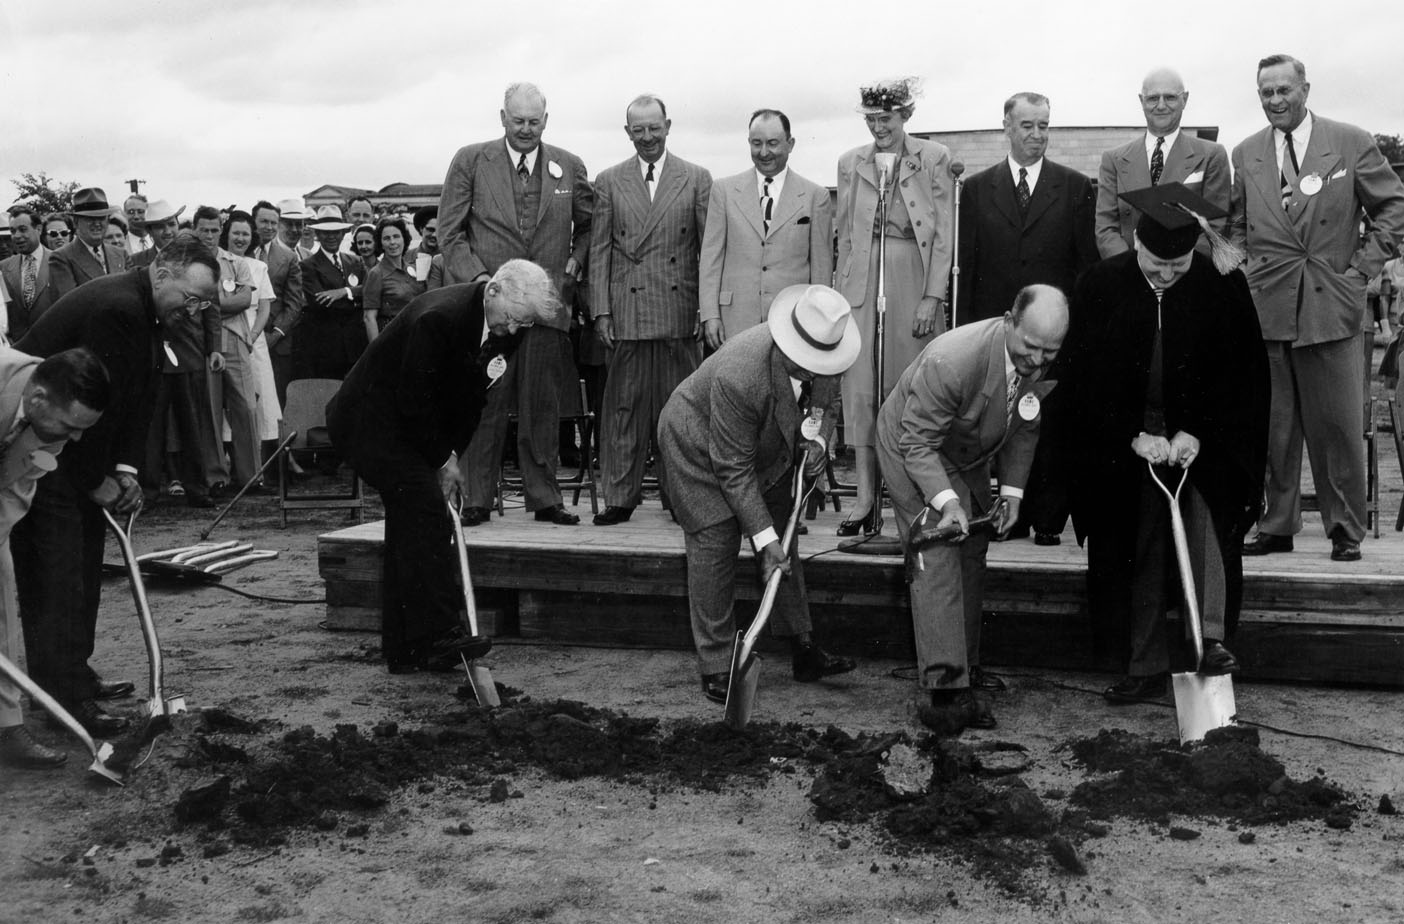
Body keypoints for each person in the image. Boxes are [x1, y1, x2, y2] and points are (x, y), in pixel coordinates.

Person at [1066, 186, 1267, 702]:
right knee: (1141, 537)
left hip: (1204, 434)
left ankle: (1211, 642)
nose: (1166, 275)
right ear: (1136, 242)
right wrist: (1132, 435)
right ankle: (1143, 662)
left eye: (1177, 266)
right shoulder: (1101, 284)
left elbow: (1242, 378)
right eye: (1157, 264)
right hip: (1127, 437)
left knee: (1206, 512)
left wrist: (1197, 431)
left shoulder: (1221, 285)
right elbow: (1083, 381)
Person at [14, 233, 219, 736]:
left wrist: (125, 471)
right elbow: (85, 413)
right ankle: (62, 698)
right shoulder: (120, 309)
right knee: (60, 576)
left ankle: (73, 675)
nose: (194, 312)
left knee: (81, 567)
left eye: (203, 305)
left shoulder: (146, 310)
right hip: (44, 451)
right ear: (164, 272)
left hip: (73, 454)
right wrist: (95, 482)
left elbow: (135, 398)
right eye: (190, 299)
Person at [326, 260, 556, 673]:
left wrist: (454, 457)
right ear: (493, 292)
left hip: (406, 422)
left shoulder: (507, 326)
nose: (516, 330)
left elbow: (471, 401)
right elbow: (417, 402)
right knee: (427, 511)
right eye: (513, 319)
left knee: (411, 518)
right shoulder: (439, 319)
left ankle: (407, 648)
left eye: (526, 324)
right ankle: (440, 632)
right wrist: (442, 461)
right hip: (368, 421)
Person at [1228, 54, 1404, 563]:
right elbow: (1238, 226)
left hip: (1332, 306)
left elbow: (1394, 207)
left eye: (1284, 90)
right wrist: (1242, 271)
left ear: (1305, 89)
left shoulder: (1348, 141)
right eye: (1267, 93)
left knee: (1338, 428)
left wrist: (1360, 269)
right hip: (1268, 306)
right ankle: (1276, 523)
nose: (1276, 101)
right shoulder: (1246, 152)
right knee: (1273, 426)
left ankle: (1344, 528)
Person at [876, 285, 1068, 734]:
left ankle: (965, 667)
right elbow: (917, 442)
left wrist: (1014, 494)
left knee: (972, 552)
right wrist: (946, 503)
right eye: (1031, 348)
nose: (1038, 361)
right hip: (912, 446)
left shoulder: (1033, 358)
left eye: (1050, 352)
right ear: (1008, 321)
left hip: (967, 446)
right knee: (938, 554)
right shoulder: (952, 359)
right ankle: (944, 692)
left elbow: (1025, 424)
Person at [659, 284, 859, 704]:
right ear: (787, 346)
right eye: (809, 364)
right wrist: (762, 541)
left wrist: (819, 444)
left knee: (784, 541)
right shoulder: (741, 373)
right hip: (696, 446)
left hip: (766, 447)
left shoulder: (827, 344)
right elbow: (732, 468)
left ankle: (803, 648)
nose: (818, 368)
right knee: (716, 541)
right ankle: (715, 666)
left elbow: (826, 406)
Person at [440, 82, 594, 527]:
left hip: (546, 307)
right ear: (502, 118)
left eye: (534, 122)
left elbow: (588, 227)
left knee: (542, 406)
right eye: (517, 121)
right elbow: (450, 233)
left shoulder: (570, 165)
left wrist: (574, 262)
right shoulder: (471, 160)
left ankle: (546, 498)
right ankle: (475, 499)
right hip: (491, 311)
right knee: (483, 402)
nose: (526, 129)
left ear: (546, 120)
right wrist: (480, 281)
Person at [956, 91, 1097, 544]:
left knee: (1046, 421)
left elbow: (1085, 266)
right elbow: (969, 266)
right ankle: (999, 517)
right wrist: (968, 332)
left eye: (1043, 126)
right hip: (998, 331)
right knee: (998, 421)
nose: (1037, 135)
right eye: (1027, 126)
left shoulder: (1074, 187)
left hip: (1053, 331)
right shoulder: (976, 190)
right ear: (1007, 127)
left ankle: (1047, 518)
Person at [835, 77, 954, 536]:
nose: (879, 127)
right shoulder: (850, 163)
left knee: (911, 389)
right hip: (863, 282)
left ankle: (909, 495)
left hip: (912, 277)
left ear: (906, 116)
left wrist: (932, 295)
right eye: (872, 119)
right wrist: (842, 295)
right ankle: (866, 498)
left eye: (887, 118)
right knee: (862, 386)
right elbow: (846, 235)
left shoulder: (934, 159)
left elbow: (943, 234)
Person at [589, 93, 712, 526]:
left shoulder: (697, 178)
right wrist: (601, 310)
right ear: (627, 132)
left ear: (668, 126)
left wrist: (706, 308)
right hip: (628, 311)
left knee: (679, 413)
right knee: (623, 409)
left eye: (653, 128)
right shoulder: (608, 180)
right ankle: (619, 497)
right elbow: (599, 249)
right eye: (637, 130)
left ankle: (680, 496)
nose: (647, 138)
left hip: (679, 309)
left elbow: (706, 250)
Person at [0, 347, 109, 770]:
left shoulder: (52, 428)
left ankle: (7, 729)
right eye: (69, 426)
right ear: (38, 398)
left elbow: (17, 487)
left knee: (2, 600)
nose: (75, 438)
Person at [698, 109, 834, 352]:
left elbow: (822, 270)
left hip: (793, 323)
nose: (764, 153)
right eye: (756, 143)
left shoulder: (816, 197)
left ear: (790, 144)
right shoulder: (723, 191)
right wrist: (710, 315)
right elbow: (710, 259)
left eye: (772, 143)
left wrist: (817, 320)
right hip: (733, 321)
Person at [1095, 68, 1231, 260]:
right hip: (1130, 276)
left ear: (1185, 99)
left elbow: (1215, 226)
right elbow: (1106, 226)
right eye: (1152, 98)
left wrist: (1175, 266)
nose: (1161, 106)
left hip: (1187, 274)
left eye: (1170, 97)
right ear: (1141, 101)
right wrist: (1131, 269)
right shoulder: (1113, 159)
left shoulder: (1212, 155)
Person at [205, 209, 264, 492]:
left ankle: (251, 476)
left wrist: (207, 305)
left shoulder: (237, 263)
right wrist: (220, 303)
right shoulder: (189, 262)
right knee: (210, 407)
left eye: (214, 230)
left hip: (235, 338)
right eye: (204, 230)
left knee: (246, 406)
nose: (210, 235)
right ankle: (216, 477)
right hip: (203, 341)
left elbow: (243, 300)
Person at [222, 209, 280, 472]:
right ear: (228, 234)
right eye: (236, 233)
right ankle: (231, 462)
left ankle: (258, 465)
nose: (241, 238)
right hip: (226, 336)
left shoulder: (259, 266)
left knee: (259, 403)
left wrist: (253, 336)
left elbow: (265, 307)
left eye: (246, 233)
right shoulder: (219, 262)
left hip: (253, 341)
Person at [295, 205, 366, 381]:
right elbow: (321, 303)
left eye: (336, 232)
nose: (331, 236)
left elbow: (371, 291)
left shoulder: (355, 261)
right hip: (327, 346)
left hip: (355, 342)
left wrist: (344, 291)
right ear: (318, 235)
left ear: (343, 234)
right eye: (326, 232)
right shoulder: (308, 266)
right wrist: (357, 298)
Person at [251, 199, 305, 408]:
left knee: (276, 401)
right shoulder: (239, 252)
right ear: (254, 222)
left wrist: (275, 335)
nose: (269, 227)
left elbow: (294, 303)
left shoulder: (289, 257)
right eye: (264, 221)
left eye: (274, 223)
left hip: (277, 341)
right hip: (243, 336)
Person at [50, 188, 126, 297]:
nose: (96, 223)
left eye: (101, 218)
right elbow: (70, 303)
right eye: (89, 218)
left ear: (108, 220)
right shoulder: (61, 258)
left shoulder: (120, 253)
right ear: (76, 222)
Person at [1, 205, 59, 340]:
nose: (17, 236)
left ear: (38, 229)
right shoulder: (3, 267)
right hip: (18, 349)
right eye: (13, 231)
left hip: (53, 345)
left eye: (22, 230)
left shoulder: (59, 261)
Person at [362, 215, 423, 343]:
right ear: (381, 243)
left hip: (417, 335)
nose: (392, 242)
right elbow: (369, 317)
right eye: (386, 238)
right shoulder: (376, 273)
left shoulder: (413, 269)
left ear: (404, 239)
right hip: (393, 338)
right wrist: (376, 351)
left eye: (396, 236)